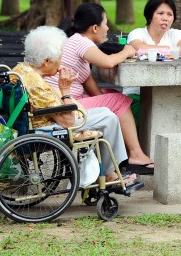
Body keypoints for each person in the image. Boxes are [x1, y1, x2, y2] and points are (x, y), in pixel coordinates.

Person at [12, 26, 137, 184]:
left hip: (40, 121)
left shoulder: (22, 69)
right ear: (46, 61)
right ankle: (107, 175)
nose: (61, 62)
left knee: (104, 111)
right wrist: (65, 89)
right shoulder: (38, 86)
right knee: (109, 117)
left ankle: (104, 173)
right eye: (59, 57)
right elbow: (68, 122)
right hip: (48, 128)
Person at [46, 3, 154, 175]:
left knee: (113, 96)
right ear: (95, 27)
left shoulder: (76, 42)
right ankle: (135, 155)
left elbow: (93, 88)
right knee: (119, 100)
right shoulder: (80, 42)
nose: (108, 27)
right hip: (64, 106)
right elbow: (108, 62)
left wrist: (110, 101)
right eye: (105, 23)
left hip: (68, 101)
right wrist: (127, 50)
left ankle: (125, 154)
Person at [126, 0, 181, 132]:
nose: (165, 18)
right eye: (160, 13)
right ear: (150, 15)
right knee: (146, 120)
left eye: (170, 14)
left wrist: (154, 51)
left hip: (171, 95)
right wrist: (172, 51)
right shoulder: (137, 33)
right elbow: (138, 48)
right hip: (137, 95)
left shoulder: (175, 34)